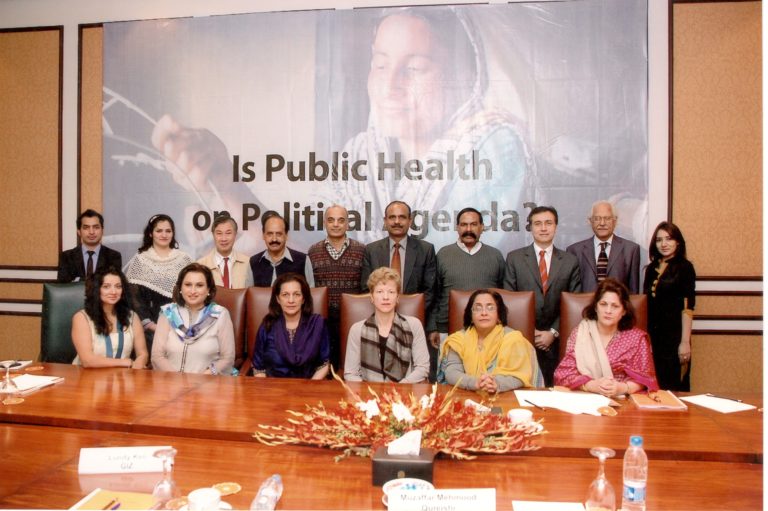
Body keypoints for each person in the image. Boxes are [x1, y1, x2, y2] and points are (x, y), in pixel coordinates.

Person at [339, 7, 534, 248]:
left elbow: (450, 255)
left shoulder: (495, 144)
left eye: (413, 69)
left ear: (461, 76)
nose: (389, 87)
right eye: (380, 65)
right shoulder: (359, 151)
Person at [504, 206, 581, 386]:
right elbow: (509, 301)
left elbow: (573, 303)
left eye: (548, 223)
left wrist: (552, 333)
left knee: (556, 391)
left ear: (556, 226)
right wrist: (530, 331)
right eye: (538, 224)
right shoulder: (514, 258)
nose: (543, 228)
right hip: (522, 340)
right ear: (530, 227)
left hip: (558, 342)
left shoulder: (570, 261)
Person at [427, 207, 506, 380]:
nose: (468, 229)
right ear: (457, 228)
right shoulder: (443, 255)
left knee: (485, 380)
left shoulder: (495, 256)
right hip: (449, 332)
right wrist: (434, 327)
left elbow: (503, 297)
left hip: (488, 333)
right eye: (463, 225)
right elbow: (434, 294)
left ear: (482, 227)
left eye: (473, 224)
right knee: (449, 379)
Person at [554, 278, 658, 396]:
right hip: (585, 400)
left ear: (624, 311)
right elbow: (564, 374)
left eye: (615, 306)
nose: (608, 311)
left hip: (624, 402)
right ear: (595, 307)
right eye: (603, 304)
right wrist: (591, 385)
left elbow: (647, 380)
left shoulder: (637, 339)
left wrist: (622, 388)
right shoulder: (581, 333)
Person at [437, 289, 542, 392]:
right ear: (471, 317)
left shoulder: (513, 339)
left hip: (505, 398)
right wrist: (475, 383)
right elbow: (452, 372)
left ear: (499, 316)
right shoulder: (459, 339)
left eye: (490, 308)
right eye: (478, 308)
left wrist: (496, 383)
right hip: (467, 396)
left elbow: (520, 375)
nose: (484, 313)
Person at [344, 267, 429, 383]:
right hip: (368, 397)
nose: (385, 297)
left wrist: (399, 388)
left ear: (398, 297)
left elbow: (422, 368)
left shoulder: (414, 325)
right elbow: (350, 373)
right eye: (379, 292)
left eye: (391, 292)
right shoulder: (357, 329)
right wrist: (371, 393)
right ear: (372, 297)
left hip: (403, 393)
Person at [307, 205, 366, 369]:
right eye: (331, 220)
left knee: (353, 366)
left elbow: (366, 287)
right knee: (325, 366)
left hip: (355, 320)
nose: (336, 224)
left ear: (347, 224)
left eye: (341, 220)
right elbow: (310, 289)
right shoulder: (313, 252)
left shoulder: (362, 250)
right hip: (322, 321)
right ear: (324, 223)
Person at [124, 214, 193, 352]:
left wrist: (180, 327)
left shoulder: (184, 259)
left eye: (168, 231)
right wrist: (151, 326)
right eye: (159, 231)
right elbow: (134, 299)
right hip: (148, 328)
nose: (164, 235)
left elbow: (192, 294)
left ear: (173, 234)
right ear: (150, 233)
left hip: (181, 325)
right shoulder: (140, 260)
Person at [152, 263, 235, 374]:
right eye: (188, 284)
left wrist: (207, 375)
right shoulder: (168, 313)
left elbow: (227, 358)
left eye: (199, 285)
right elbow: (157, 356)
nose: (192, 291)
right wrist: (176, 379)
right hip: (170, 383)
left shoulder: (220, 314)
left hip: (207, 384)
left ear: (208, 289)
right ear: (180, 288)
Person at [643, 221, 696, 391]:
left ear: (678, 242)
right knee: (653, 387)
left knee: (674, 387)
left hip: (675, 338)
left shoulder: (685, 268)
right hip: (654, 337)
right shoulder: (651, 268)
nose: (663, 244)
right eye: (659, 240)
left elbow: (688, 307)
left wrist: (685, 342)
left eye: (668, 239)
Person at [359, 201, 436, 311]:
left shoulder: (425, 250)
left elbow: (429, 291)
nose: (397, 222)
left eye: (402, 217)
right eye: (392, 217)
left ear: (410, 221)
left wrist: (412, 313)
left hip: (414, 316)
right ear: (385, 221)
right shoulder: (371, 250)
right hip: (379, 315)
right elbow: (366, 288)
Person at [252, 273, 330, 379]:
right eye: (285, 295)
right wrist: (268, 392)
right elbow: (258, 367)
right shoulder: (267, 325)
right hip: (273, 390)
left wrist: (310, 388)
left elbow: (324, 364)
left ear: (303, 299)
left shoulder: (317, 324)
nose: (291, 300)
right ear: (278, 299)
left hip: (309, 387)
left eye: (297, 294)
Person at [71, 267, 148, 368]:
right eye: (106, 287)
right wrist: (127, 362)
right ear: (96, 289)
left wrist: (139, 363)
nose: (113, 292)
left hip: (123, 378)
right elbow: (87, 360)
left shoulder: (132, 317)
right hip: (87, 377)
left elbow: (143, 354)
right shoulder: (82, 318)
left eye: (118, 286)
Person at [566, 200, 641, 293]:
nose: (602, 223)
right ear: (590, 221)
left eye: (607, 218)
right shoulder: (574, 251)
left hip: (617, 306)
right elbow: (571, 294)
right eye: (597, 218)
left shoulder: (631, 250)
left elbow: (634, 293)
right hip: (584, 306)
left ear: (615, 221)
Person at [250, 211, 315, 287]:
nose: (274, 239)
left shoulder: (303, 260)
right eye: (270, 234)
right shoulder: (253, 262)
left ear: (286, 235)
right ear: (263, 235)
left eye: (279, 234)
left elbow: (311, 294)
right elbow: (249, 295)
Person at [57, 209, 122, 283]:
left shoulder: (113, 256)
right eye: (86, 228)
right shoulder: (66, 257)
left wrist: (78, 280)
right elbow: (63, 287)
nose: (91, 232)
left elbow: (113, 285)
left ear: (102, 230)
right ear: (79, 232)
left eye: (96, 227)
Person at [197, 211, 254, 288]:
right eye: (219, 233)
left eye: (228, 233)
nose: (223, 239)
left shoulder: (248, 263)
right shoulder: (200, 265)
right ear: (213, 235)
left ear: (235, 235)